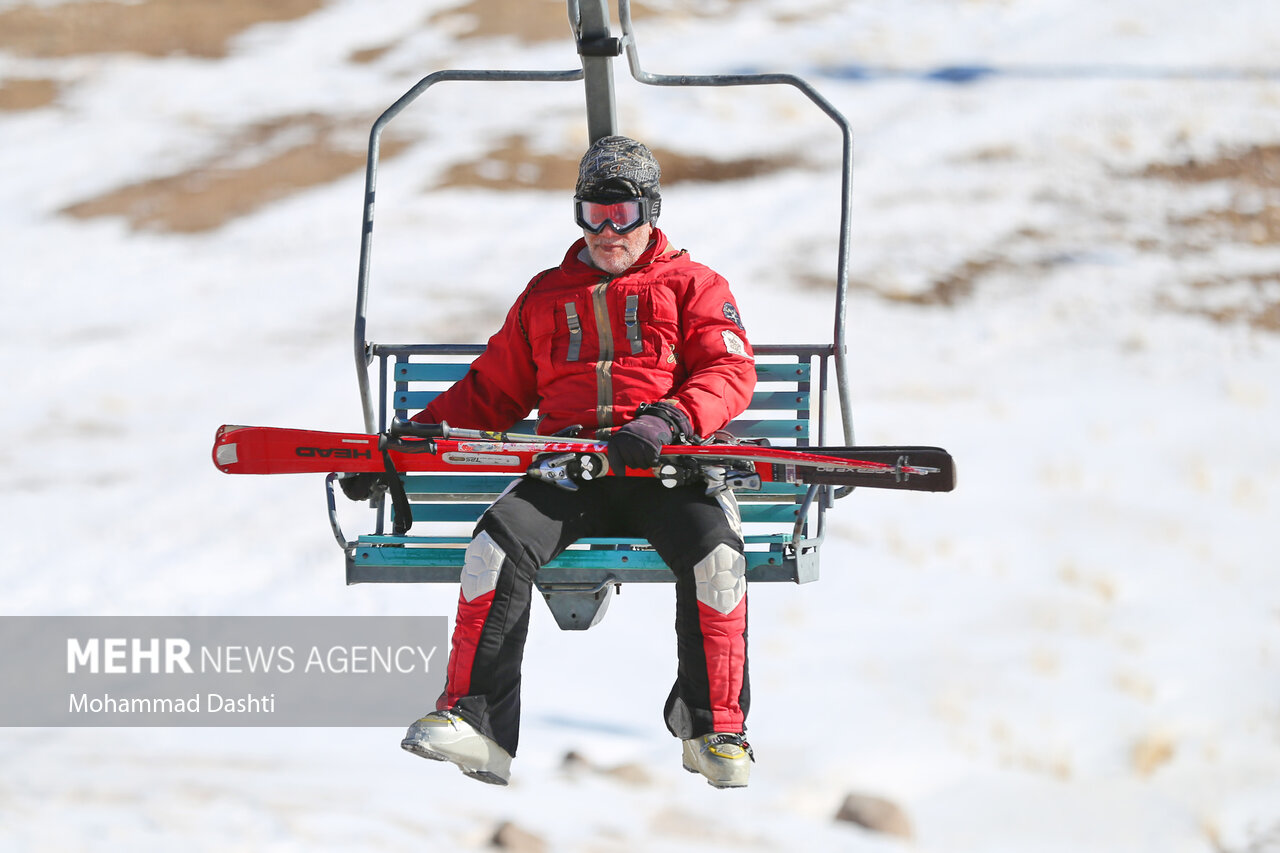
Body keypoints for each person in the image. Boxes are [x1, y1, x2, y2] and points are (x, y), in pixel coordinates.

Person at [389, 136, 757, 788]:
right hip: (573, 468)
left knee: (718, 556)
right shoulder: (547, 294)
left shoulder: (693, 285)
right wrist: (408, 446)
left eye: (622, 215)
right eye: (593, 213)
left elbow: (728, 371)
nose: (607, 231)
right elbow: (491, 392)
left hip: (664, 468)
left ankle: (712, 725)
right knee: (495, 545)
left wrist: (670, 417)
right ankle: (476, 724)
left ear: (651, 211)